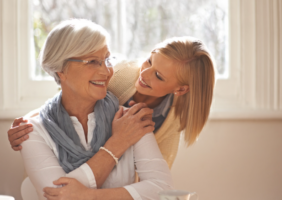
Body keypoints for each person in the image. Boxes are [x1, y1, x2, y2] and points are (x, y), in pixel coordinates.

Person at [16, 19, 174, 200]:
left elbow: (163, 189)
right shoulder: (31, 131)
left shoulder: (130, 119)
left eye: (106, 59)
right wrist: (117, 144)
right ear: (61, 70)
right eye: (92, 61)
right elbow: (53, 196)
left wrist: (88, 196)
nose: (106, 72)